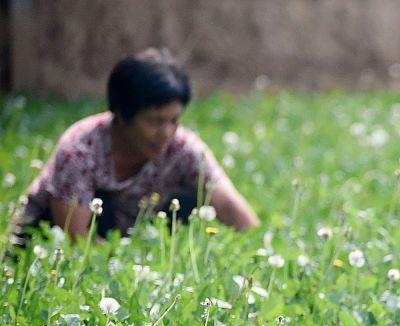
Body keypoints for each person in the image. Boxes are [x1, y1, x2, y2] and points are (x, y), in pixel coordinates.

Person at [10, 48, 257, 245]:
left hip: (124, 242)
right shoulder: (81, 149)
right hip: (47, 247)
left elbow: (228, 204)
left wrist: (261, 253)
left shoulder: (182, 147)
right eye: (154, 121)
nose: (166, 133)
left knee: (190, 203)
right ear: (121, 114)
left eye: (174, 120)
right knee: (101, 209)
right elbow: (76, 237)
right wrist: (133, 273)